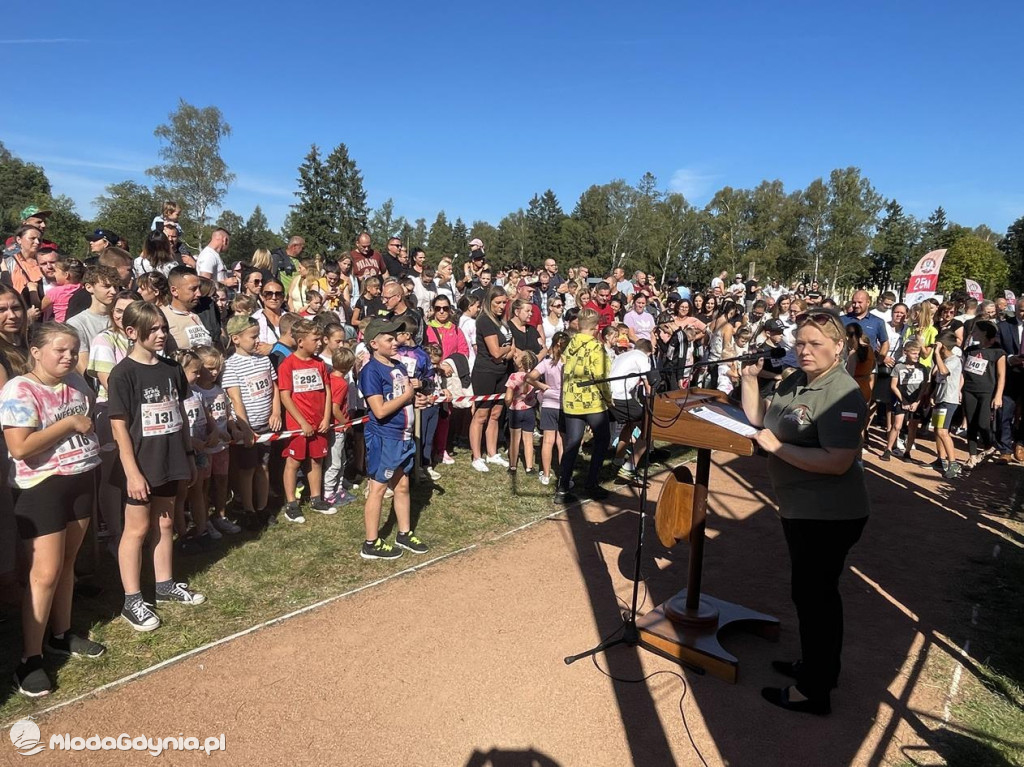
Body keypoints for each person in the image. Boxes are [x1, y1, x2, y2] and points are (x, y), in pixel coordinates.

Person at [739, 305, 868, 716]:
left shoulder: (842, 392)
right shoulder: (796, 379)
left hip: (829, 514)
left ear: (838, 347)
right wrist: (747, 381)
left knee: (816, 599)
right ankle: (816, 666)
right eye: (800, 342)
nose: (805, 350)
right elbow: (759, 419)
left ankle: (815, 690)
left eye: (815, 343)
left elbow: (838, 461)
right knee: (809, 594)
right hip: (799, 508)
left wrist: (779, 449)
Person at [1, 323, 105, 696]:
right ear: (36, 351)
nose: (68, 356)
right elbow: (20, 448)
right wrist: (69, 424)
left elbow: (88, 415)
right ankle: (29, 658)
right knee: (43, 573)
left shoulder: (76, 381)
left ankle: (61, 634)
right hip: (40, 487)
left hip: (79, 477)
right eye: (60, 350)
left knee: (66, 564)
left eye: (74, 350)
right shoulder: (19, 389)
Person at [108, 302, 203, 633]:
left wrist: (189, 455)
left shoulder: (171, 369)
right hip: (140, 462)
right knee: (135, 529)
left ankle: (164, 585)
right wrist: (132, 472)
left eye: (163, 328)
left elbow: (181, 413)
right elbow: (119, 428)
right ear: (132, 332)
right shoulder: (122, 374)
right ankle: (131, 599)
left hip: (171, 457)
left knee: (164, 524)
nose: (161, 334)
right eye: (154, 330)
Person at [358, 317, 430, 560]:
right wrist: (408, 394)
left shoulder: (397, 366)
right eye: (389, 339)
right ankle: (371, 542)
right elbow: (378, 410)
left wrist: (415, 399)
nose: (396, 342)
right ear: (374, 344)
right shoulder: (371, 371)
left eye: (395, 337)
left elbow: (400, 397)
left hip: (404, 436)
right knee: (377, 488)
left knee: (402, 485)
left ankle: (404, 532)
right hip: (385, 438)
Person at [222, 315, 281, 527]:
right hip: (249, 427)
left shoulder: (264, 360)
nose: (257, 340)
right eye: (253, 336)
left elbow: (274, 388)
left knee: (263, 466)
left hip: (266, 425)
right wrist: (245, 428)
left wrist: (276, 413)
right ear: (236, 339)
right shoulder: (231, 366)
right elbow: (235, 399)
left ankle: (263, 507)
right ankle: (248, 509)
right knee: (247, 470)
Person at [277, 318, 337, 522]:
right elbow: (285, 396)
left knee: (317, 460)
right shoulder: (288, 365)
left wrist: (327, 416)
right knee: (293, 462)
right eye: (316, 339)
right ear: (301, 341)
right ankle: (291, 503)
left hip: (319, 422)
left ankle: (315, 497)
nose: (320, 343)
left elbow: (327, 390)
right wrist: (301, 422)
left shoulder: (320, 363)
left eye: (320, 339)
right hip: (298, 425)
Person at [556, 308, 611, 504]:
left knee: (572, 443)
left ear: (578, 325)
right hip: (593, 402)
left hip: (571, 402)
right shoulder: (597, 348)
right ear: (597, 328)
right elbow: (601, 376)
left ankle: (562, 488)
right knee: (603, 440)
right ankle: (591, 483)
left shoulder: (570, 346)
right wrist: (608, 399)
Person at [193, 345, 240, 536]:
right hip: (204, 448)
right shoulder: (195, 392)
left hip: (222, 447)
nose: (214, 372)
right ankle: (203, 520)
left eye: (217, 368)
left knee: (222, 481)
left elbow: (227, 414)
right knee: (203, 486)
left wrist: (233, 428)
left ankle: (221, 515)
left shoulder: (219, 390)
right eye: (209, 368)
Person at [471, 287, 516, 473]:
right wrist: (507, 350)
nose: (501, 306)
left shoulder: (502, 322)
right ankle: (476, 456)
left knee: (496, 414)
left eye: (504, 302)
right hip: (485, 372)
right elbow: (496, 352)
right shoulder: (484, 321)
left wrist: (506, 351)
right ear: (489, 302)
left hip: (501, 372)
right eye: (497, 302)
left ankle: (492, 452)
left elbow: (510, 348)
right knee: (481, 415)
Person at [961, 321, 1005, 467]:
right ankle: (972, 456)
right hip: (969, 390)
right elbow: (964, 372)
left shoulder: (997, 352)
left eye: (976, 330)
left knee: (983, 423)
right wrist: (959, 390)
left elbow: (1001, 375)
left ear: (985, 333)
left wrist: (998, 395)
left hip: (987, 392)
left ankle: (989, 445)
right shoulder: (970, 350)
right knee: (971, 424)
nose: (972, 332)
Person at [528, 331, 568, 486]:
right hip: (564, 405)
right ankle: (565, 476)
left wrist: (542, 386)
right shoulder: (569, 362)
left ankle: (545, 474)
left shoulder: (547, 362)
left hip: (549, 403)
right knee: (562, 442)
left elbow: (529, 377)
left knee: (547, 441)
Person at [67, 265, 119, 378]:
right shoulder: (76, 323)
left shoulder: (121, 318)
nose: (114, 291)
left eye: (116, 286)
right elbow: (84, 367)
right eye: (107, 286)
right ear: (89, 287)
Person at [881, 341, 927, 463]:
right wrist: (903, 400)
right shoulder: (898, 367)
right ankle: (888, 449)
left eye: (918, 354)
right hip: (902, 399)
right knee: (897, 425)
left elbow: (923, 388)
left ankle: (907, 452)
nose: (917, 356)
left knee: (913, 427)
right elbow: (893, 385)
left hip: (916, 401)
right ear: (906, 353)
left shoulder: (923, 368)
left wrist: (917, 402)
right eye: (914, 353)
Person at [323, 347, 357, 507]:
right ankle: (329, 492)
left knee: (341, 460)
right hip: (337, 428)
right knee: (335, 462)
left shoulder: (330, 378)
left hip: (336, 427)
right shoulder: (341, 384)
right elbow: (335, 408)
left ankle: (338, 488)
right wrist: (345, 423)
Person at [929, 333, 963, 479]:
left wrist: (936, 353)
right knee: (937, 430)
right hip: (940, 399)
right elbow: (940, 380)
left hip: (949, 400)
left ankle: (953, 463)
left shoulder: (954, 360)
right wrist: (933, 394)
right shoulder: (944, 360)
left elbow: (944, 371)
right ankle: (940, 459)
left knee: (943, 431)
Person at [506, 350, 540, 474]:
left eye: (518, 356)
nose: (516, 355)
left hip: (516, 411)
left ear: (520, 364)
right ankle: (529, 467)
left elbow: (508, 397)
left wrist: (508, 405)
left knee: (515, 439)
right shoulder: (533, 377)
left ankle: (513, 466)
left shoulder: (513, 377)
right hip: (529, 411)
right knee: (528, 440)